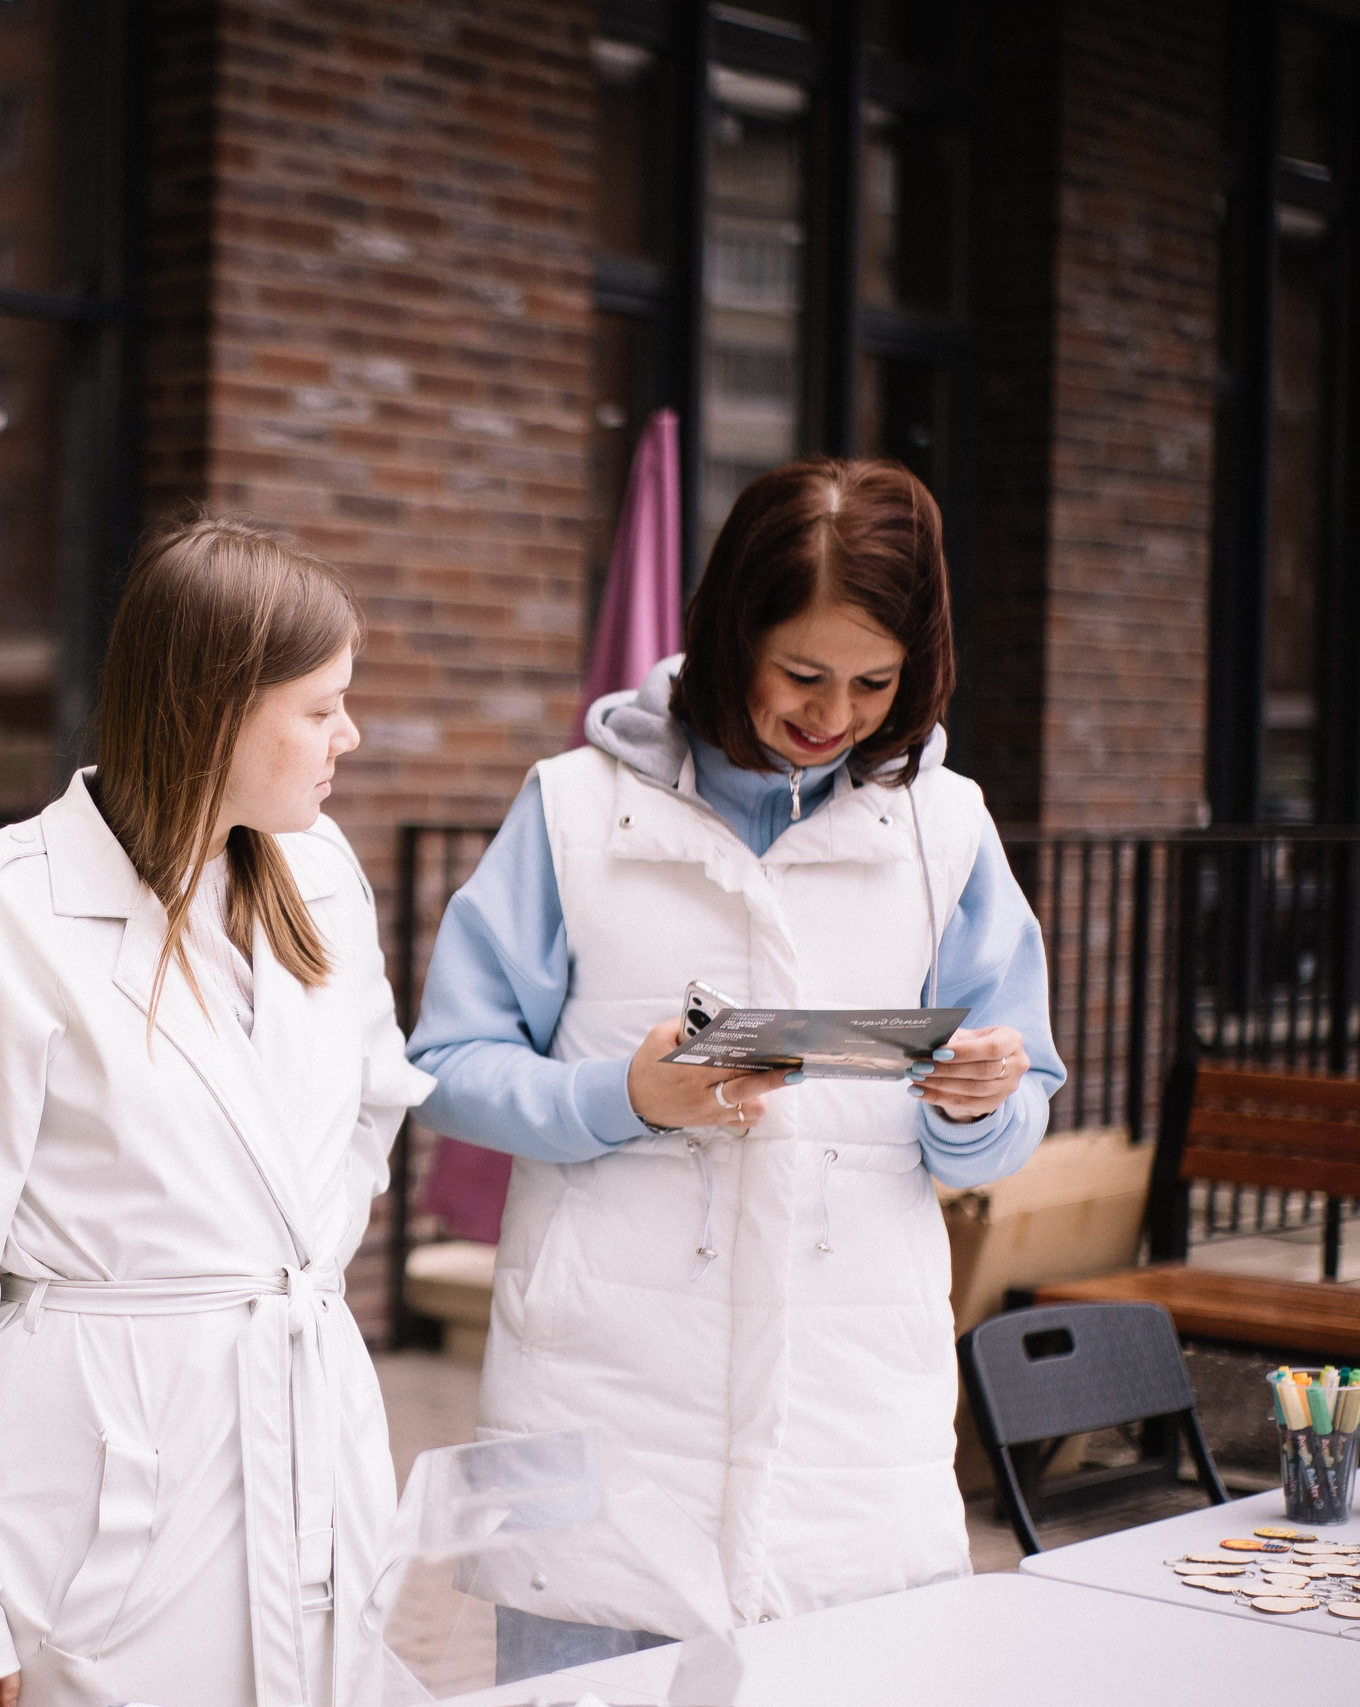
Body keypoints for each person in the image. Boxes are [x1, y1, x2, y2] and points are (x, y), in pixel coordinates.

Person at [406, 458, 1065, 1680]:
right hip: (605, 1395)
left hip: (847, 1416)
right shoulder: (569, 809)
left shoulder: (949, 831)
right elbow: (444, 1066)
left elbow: (1018, 1097)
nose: (835, 713)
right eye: (801, 674)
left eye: (875, 682)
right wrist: (624, 1098)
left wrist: (981, 1106)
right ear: (726, 636)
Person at [0, 517, 433, 1707]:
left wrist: (278, 1260)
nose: (347, 737)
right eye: (319, 708)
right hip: (96, 1483)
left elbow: (365, 1111)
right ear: (217, 706)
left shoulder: (319, 877)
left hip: (306, 1437)